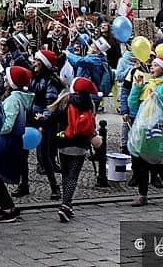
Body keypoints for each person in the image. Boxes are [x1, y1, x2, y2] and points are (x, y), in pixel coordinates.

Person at [0, 66, 33, 224]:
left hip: (6, 140)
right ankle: (7, 206)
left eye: (7, 78)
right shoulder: (20, 98)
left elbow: (7, 125)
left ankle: (7, 208)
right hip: (13, 140)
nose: (4, 79)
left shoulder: (12, 100)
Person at [128, 57, 163, 207]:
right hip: (143, 126)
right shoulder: (147, 84)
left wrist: (158, 95)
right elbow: (133, 104)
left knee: (158, 163)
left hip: (159, 128)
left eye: (156, 65)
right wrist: (137, 87)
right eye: (152, 65)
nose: (151, 67)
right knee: (141, 164)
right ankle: (142, 195)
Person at [47, 77, 97, 223]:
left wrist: (41, 121)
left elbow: (53, 118)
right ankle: (66, 205)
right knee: (73, 176)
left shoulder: (66, 100)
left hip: (64, 142)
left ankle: (66, 204)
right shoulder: (90, 103)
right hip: (80, 145)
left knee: (65, 174)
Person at [32, 50, 64, 199]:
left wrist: (44, 120)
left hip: (43, 121)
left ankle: (54, 187)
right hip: (32, 117)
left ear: (43, 63)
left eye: (37, 60)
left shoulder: (50, 81)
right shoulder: (36, 76)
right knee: (23, 154)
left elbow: (50, 104)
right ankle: (23, 184)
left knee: (44, 156)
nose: (33, 62)